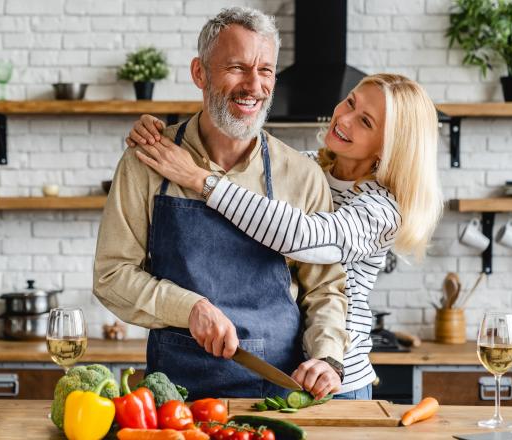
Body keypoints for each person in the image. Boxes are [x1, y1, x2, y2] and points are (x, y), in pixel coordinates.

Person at [125, 73, 444, 399]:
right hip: (286, 367)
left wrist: (198, 179)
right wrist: (167, 137)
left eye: (365, 121)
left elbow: (302, 237)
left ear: (390, 146)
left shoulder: (381, 209)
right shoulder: (306, 168)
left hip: (335, 375)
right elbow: (240, 165)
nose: (344, 119)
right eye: (350, 102)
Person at [94, 7, 349, 401]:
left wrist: (327, 357)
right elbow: (112, 276)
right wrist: (190, 308)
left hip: (279, 392)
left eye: (265, 70)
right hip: (175, 396)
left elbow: (325, 289)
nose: (254, 85)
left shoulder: (301, 175)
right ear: (200, 73)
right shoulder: (147, 160)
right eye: (236, 67)